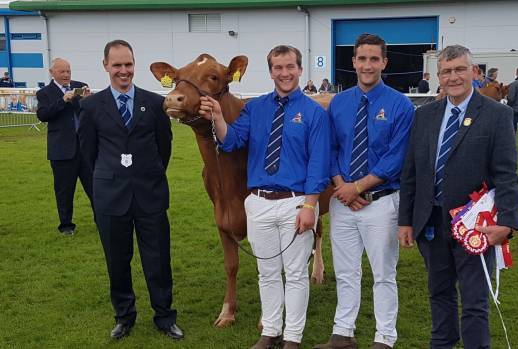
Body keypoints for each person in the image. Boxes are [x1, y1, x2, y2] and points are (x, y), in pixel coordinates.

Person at [199, 45, 330, 349]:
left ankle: (292, 338)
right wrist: (218, 117)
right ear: (270, 71)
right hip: (257, 201)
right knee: (267, 273)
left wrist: (310, 204)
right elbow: (232, 141)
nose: (284, 73)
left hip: (295, 201)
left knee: (295, 275)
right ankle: (270, 332)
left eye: (290, 67)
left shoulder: (312, 112)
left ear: (299, 70)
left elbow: (319, 163)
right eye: (278, 68)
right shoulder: (254, 108)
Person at [398, 44, 518, 349]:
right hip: (430, 221)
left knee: (474, 299)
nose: (453, 77)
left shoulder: (497, 115)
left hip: (474, 224)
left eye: (459, 70)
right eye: (446, 71)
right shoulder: (424, 115)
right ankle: (442, 343)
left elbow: (506, 174)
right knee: (439, 292)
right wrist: (405, 220)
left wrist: (507, 222)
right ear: (438, 76)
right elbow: (411, 171)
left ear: (473, 72)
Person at [314, 33, 414, 349]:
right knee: (345, 273)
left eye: (374, 59)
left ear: (384, 62)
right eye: (362, 58)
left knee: (383, 275)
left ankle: (385, 337)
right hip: (343, 202)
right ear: (353, 62)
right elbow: (329, 148)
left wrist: (355, 187)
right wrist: (342, 186)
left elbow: (396, 158)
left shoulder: (401, 105)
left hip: (382, 203)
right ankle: (343, 333)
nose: (367, 65)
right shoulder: (339, 102)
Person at [78, 40, 183, 340]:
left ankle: (164, 316)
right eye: (117, 65)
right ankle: (124, 316)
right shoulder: (90, 106)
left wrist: (146, 173)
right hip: (111, 196)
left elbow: (164, 148)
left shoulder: (154, 103)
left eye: (128, 64)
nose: (124, 71)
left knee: (158, 259)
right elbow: (89, 153)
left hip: (149, 192)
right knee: (117, 260)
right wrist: (111, 176)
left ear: (134, 65)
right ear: (106, 66)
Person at [36, 58, 94, 235]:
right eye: (62, 71)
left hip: (85, 148)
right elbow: (43, 115)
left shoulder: (80, 86)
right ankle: (66, 226)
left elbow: (89, 113)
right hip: (62, 151)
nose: (67, 75)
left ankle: (104, 220)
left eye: (68, 71)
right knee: (64, 191)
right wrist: (63, 100)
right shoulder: (44, 93)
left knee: (95, 187)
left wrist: (88, 100)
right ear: (52, 73)